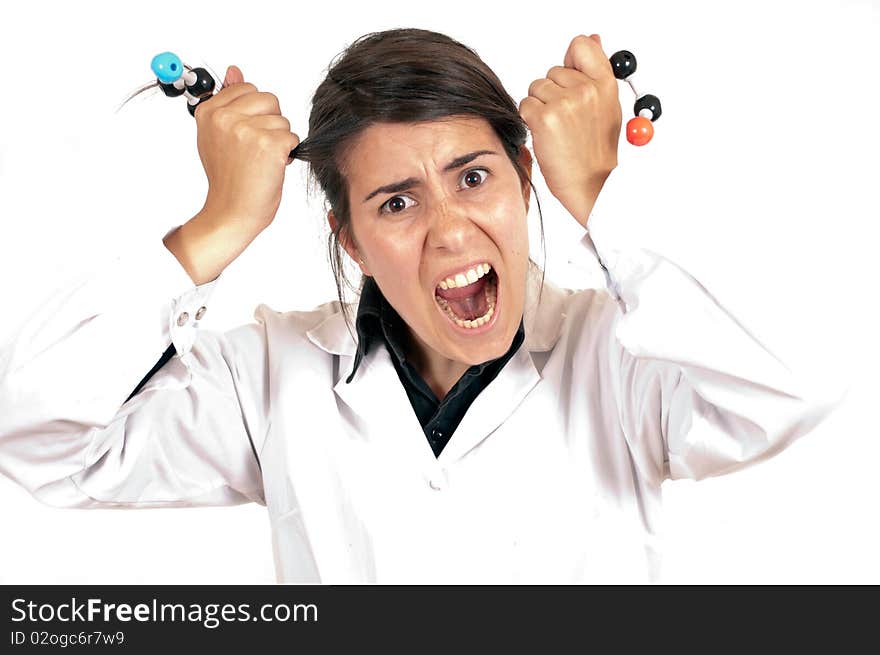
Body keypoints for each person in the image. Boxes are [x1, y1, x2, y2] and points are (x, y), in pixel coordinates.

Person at [0, 28, 838, 583]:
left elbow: (802, 383)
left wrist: (598, 195)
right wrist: (219, 227)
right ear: (353, 238)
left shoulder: (622, 355)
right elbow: (34, 437)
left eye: (474, 178)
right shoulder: (266, 377)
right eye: (396, 202)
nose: (447, 230)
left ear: (522, 177)